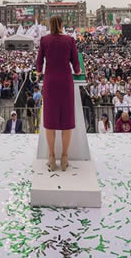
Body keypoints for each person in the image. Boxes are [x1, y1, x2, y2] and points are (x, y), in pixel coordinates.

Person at [36, 15, 81, 171]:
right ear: (62, 25)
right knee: (66, 120)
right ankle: (64, 157)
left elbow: (39, 61)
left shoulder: (44, 40)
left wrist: (38, 71)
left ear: (50, 25)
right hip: (66, 82)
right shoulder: (70, 40)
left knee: (50, 120)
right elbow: (75, 62)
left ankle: (51, 156)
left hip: (50, 82)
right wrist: (78, 70)